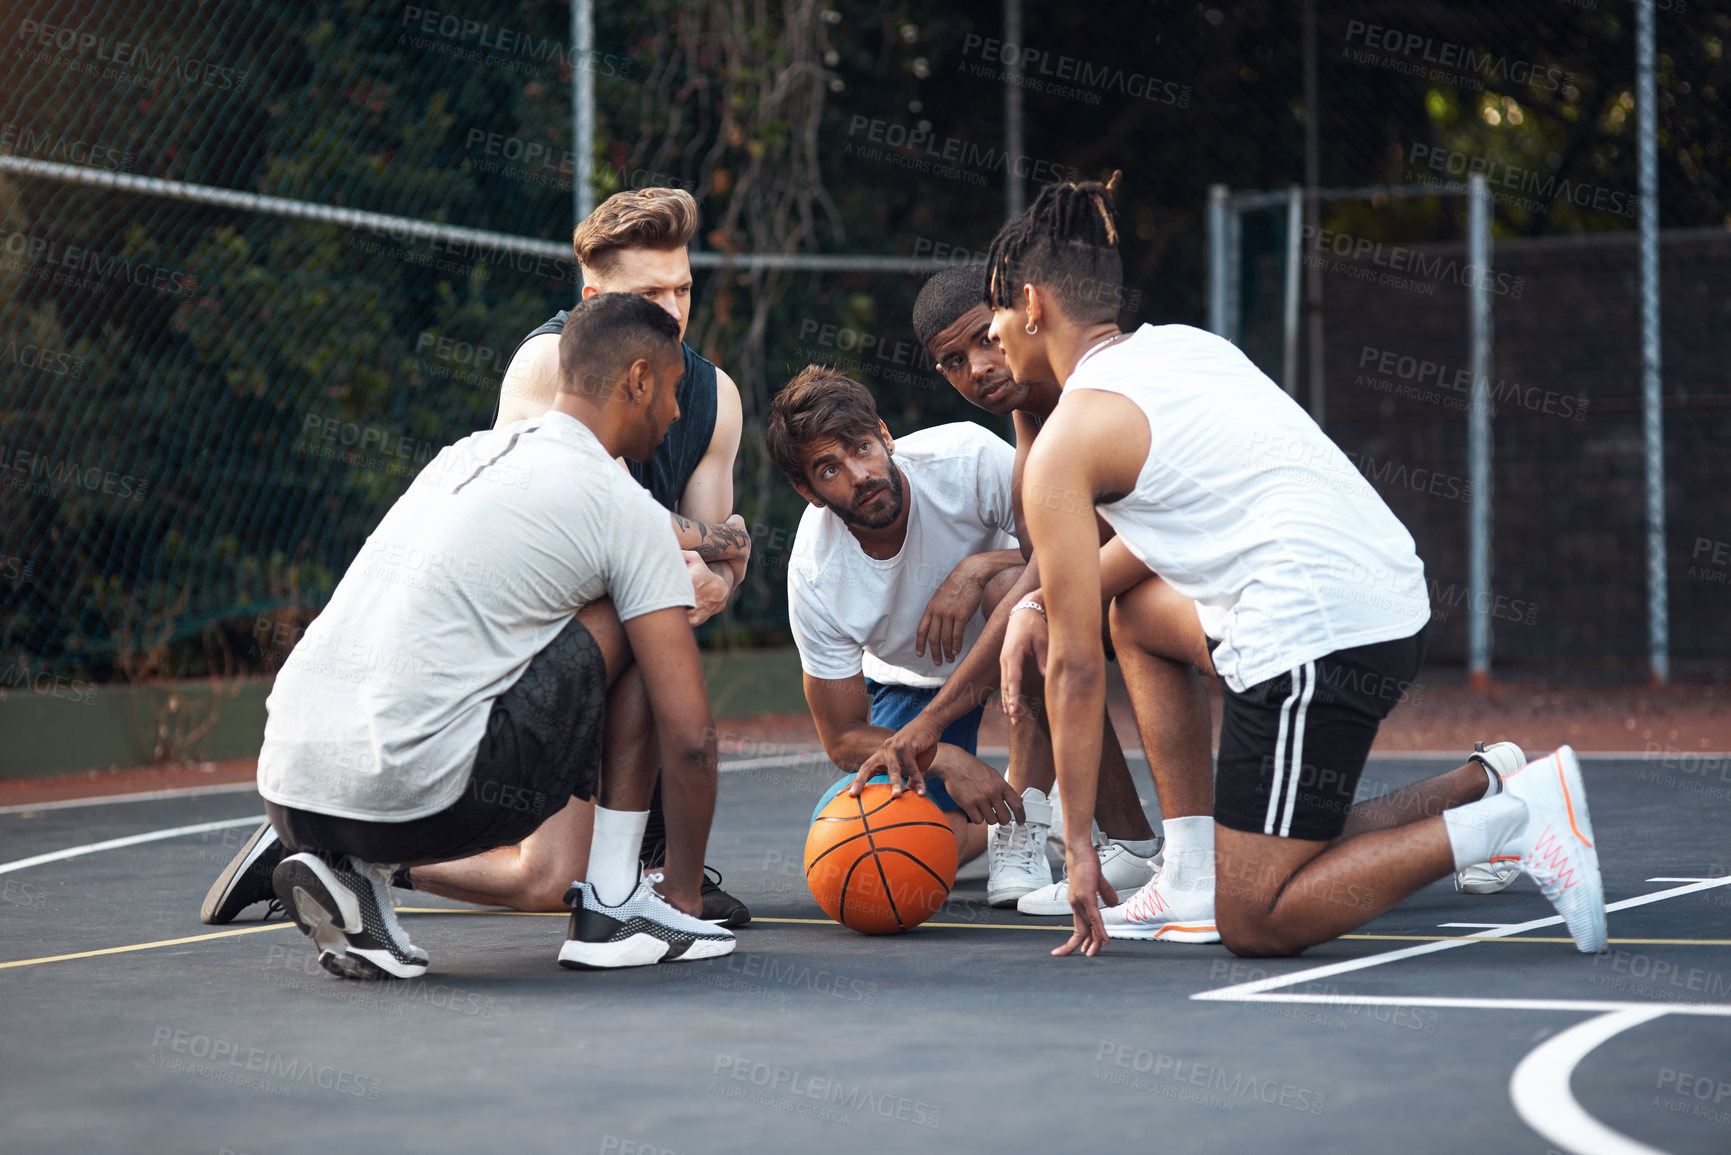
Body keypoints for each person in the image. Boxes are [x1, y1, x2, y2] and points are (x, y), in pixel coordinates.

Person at [984, 179, 1605, 959]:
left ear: (1033, 304)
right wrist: (1035, 606)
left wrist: (1076, 845)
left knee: (1257, 916)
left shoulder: (1067, 441)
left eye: (998, 314)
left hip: (1314, 634)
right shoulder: (1187, 349)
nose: (994, 337)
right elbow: (1178, 531)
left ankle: (1511, 818)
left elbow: (1074, 672)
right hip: (1383, 600)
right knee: (1135, 617)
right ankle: (1188, 872)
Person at [204, 188, 751, 928]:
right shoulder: (549, 365)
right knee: (556, 871)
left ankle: (352, 854)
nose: (673, 309)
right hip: (517, 656)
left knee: (558, 868)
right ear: (594, 299)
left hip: (614, 633)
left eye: (682, 287)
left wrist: (713, 564)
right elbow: (635, 528)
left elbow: (706, 562)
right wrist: (720, 553)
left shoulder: (713, 393)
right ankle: (355, 851)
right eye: (648, 292)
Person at [860, 262, 1167, 919]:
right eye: (952, 360)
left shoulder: (1089, 393)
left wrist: (934, 717)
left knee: (1054, 610)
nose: (975, 368)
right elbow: (1046, 556)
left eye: (984, 340)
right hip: (1164, 569)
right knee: (1033, 606)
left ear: (1020, 316)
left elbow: (1062, 564)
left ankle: (1097, 831)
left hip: (1236, 584)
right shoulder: (1032, 410)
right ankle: (1122, 838)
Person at [766, 365, 1055, 906]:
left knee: (1016, 591)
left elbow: (1067, 544)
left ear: (885, 436)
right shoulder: (814, 570)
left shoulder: (965, 458)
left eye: (861, 448)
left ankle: (1026, 821)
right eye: (830, 469)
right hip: (913, 676)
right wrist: (946, 758)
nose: (859, 475)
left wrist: (974, 569)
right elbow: (843, 736)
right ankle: (1019, 807)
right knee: (874, 844)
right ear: (807, 491)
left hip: (1015, 632)